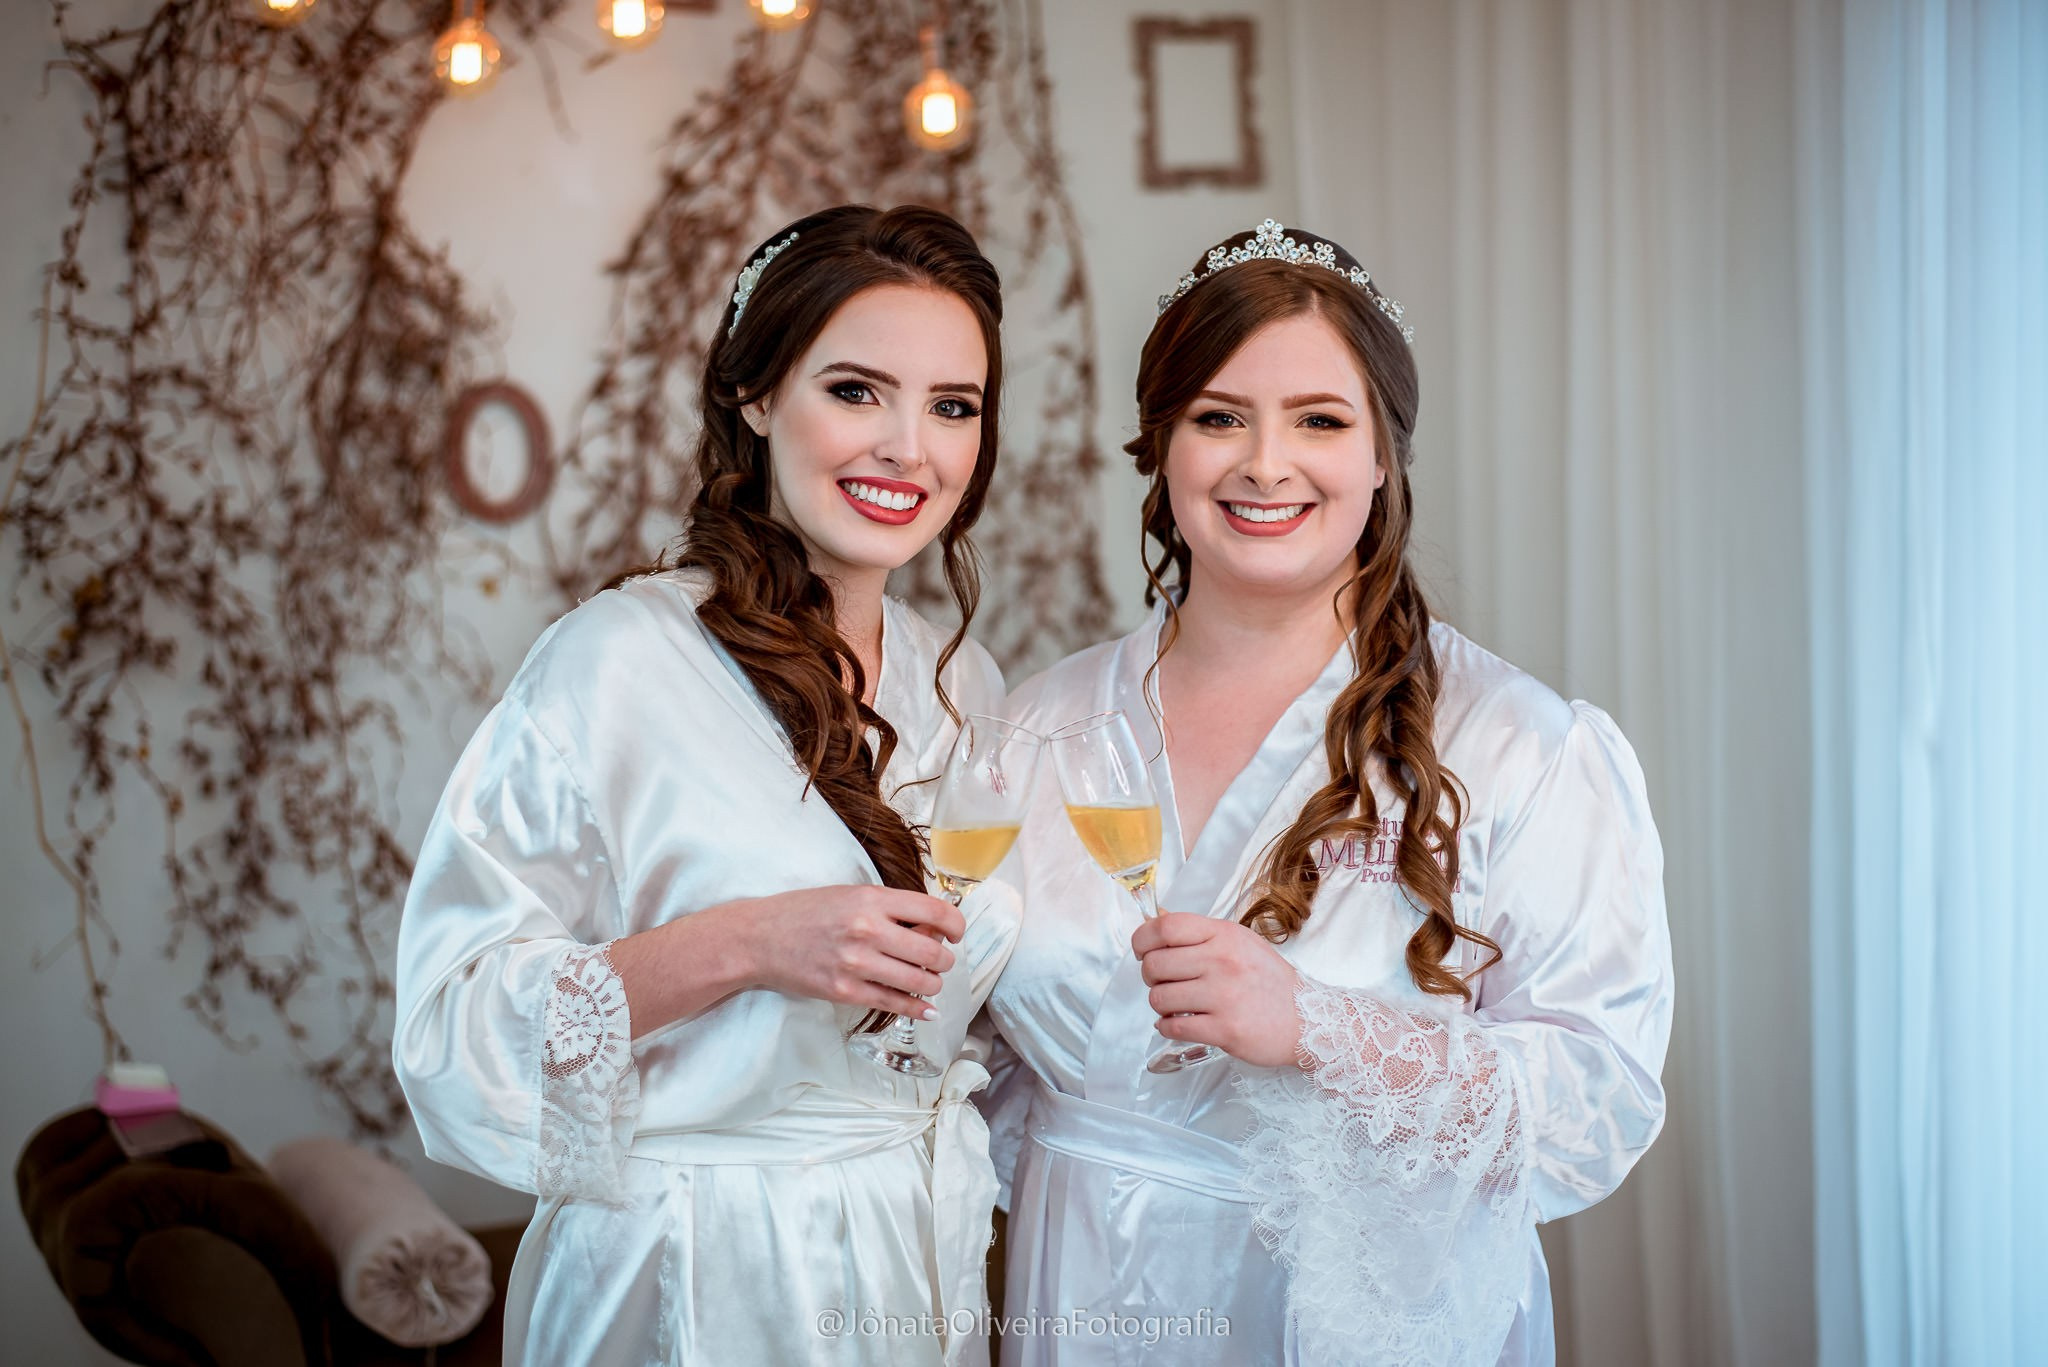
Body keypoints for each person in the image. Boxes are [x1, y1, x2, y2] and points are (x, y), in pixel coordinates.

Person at [982, 220, 1673, 1366]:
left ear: (1383, 454)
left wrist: (1317, 1026)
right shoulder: (1032, 731)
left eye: (1318, 419)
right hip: (1083, 1297)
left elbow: (1592, 1104)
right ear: (1160, 445)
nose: (1265, 463)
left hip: (1347, 1322)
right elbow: (980, 1071)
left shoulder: (1514, 743)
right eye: (1218, 417)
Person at [394, 204, 1016, 1367]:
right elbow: (455, 1024)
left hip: (911, 1256)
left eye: (952, 405)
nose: (908, 448)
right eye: (855, 390)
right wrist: (745, 942)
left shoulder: (962, 680)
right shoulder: (618, 660)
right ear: (755, 395)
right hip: (695, 1271)